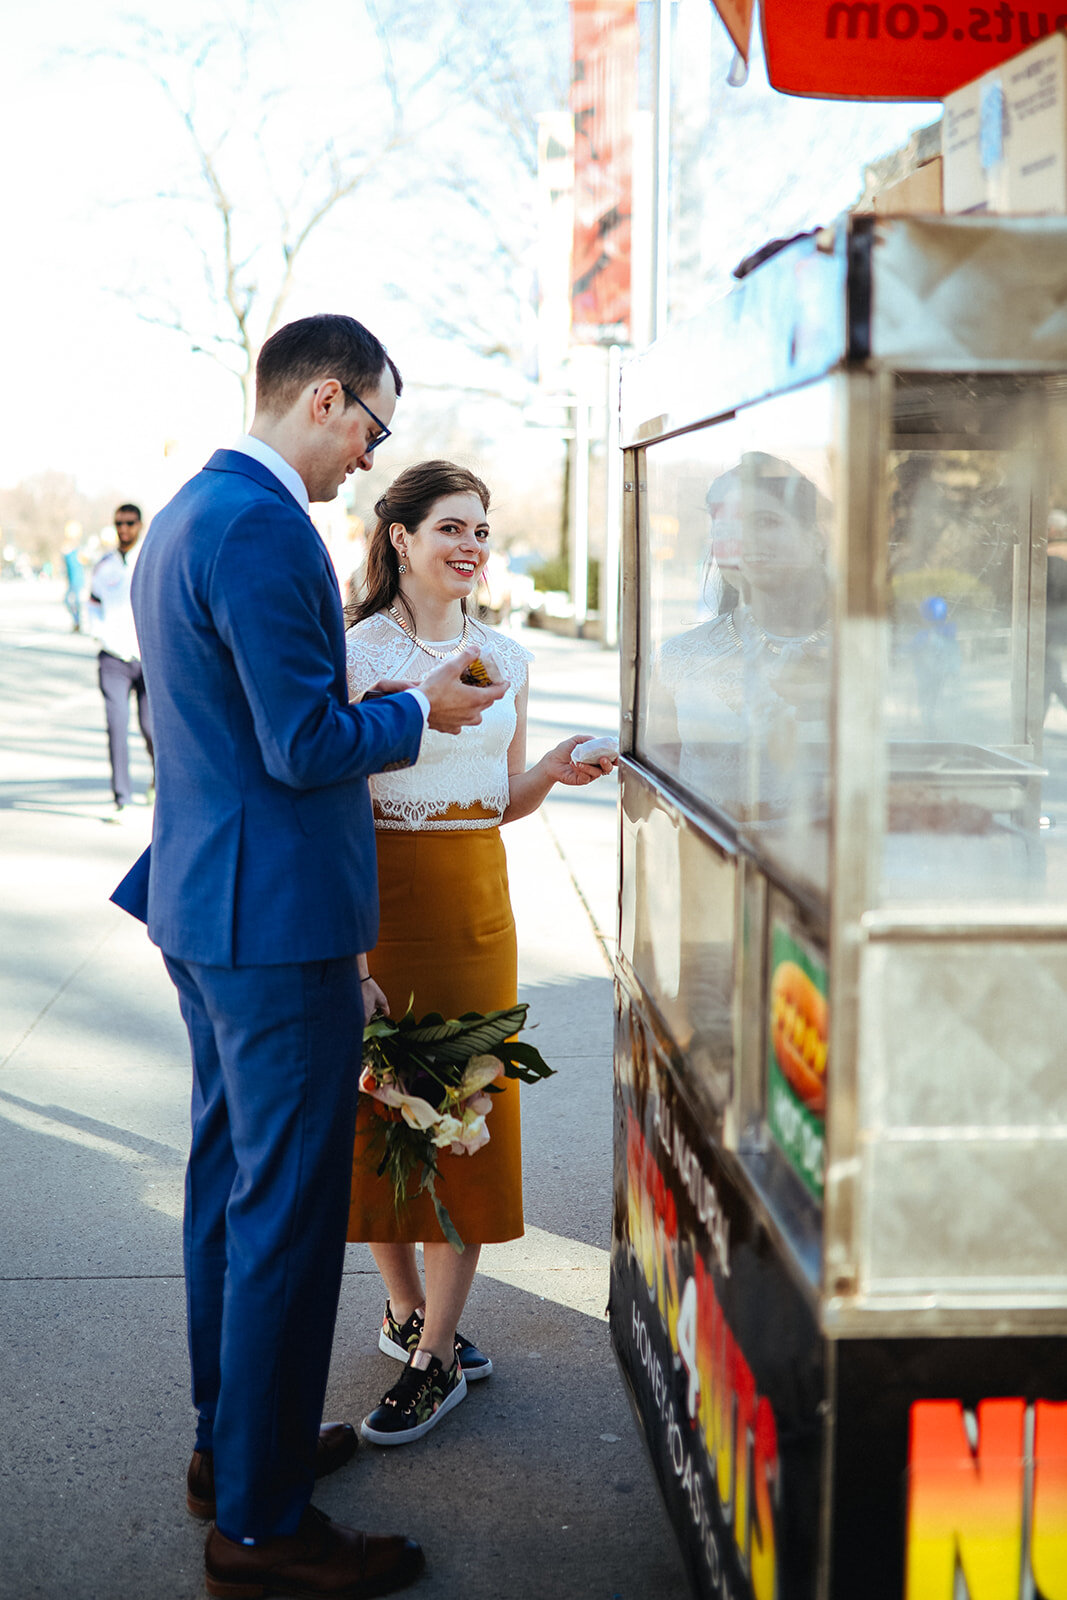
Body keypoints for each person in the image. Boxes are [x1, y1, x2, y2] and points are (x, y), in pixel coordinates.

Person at [110, 317, 507, 1599]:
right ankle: (263, 1526)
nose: (366, 459)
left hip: (209, 905)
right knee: (282, 1220)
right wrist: (420, 710)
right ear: (326, 397)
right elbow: (300, 741)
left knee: (231, 1191)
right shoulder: (268, 523)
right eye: (372, 429)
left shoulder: (184, 511)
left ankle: (233, 1456)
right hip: (274, 925)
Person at [344, 460, 616, 1446]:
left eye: (481, 532)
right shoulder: (354, 653)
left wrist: (549, 768)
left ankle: (435, 1356)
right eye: (449, 527)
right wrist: (354, 954)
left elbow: (498, 795)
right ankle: (405, 1309)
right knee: (380, 1128)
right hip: (380, 904)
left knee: (466, 1130)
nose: (469, 546)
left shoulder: (506, 655)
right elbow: (334, 797)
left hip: (476, 910)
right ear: (400, 538)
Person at [648, 452, 831, 818]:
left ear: (814, 538)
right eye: (733, 526)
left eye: (767, 521)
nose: (749, 539)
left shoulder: (861, 651)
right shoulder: (679, 658)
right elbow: (654, 791)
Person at [87, 504, 155, 818]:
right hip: (113, 658)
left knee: (151, 727)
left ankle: (159, 778)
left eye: (129, 523)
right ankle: (121, 797)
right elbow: (93, 605)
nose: (124, 529)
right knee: (116, 725)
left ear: (140, 524)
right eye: (118, 523)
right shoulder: (105, 566)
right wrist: (99, 634)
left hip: (149, 658)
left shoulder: (152, 557)